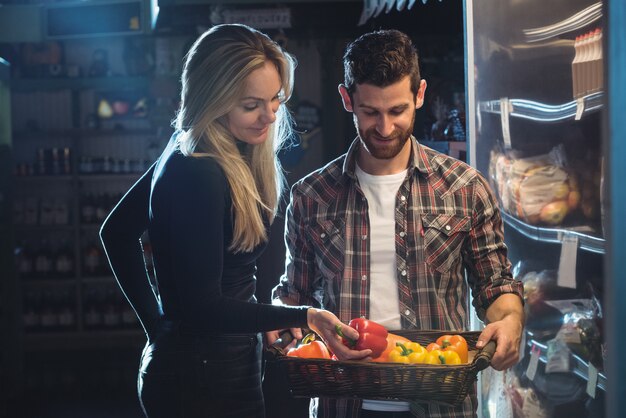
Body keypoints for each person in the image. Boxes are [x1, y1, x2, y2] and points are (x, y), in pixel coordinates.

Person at [99, 24, 370, 418]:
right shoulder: (198, 170)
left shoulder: (193, 147)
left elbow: (117, 232)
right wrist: (304, 315)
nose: (268, 116)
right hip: (199, 381)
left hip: (218, 365)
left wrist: (159, 326)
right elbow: (205, 307)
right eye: (251, 105)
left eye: (275, 99)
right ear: (214, 98)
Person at [268, 29, 524, 418]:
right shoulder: (311, 197)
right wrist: (277, 317)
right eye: (370, 112)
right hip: (343, 404)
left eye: (397, 110)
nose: (385, 128)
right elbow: (294, 296)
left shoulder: (466, 189)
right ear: (347, 99)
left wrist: (510, 322)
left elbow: (495, 286)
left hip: (441, 405)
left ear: (420, 94)